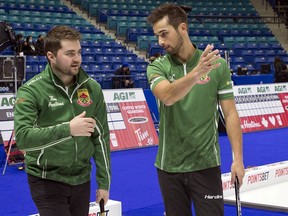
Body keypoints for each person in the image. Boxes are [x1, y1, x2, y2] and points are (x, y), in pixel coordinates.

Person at [146, 3, 245, 216]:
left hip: (206, 164)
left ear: (182, 28)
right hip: (169, 167)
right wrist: (197, 73)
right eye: (157, 36)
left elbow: (230, 114)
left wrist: (238, 159)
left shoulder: (217, 66)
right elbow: (167, 96)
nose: (160, 42)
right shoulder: (157, 67)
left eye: (164, 34)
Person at [14, 25, 111, 216]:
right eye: (69, 53)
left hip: (82, 179)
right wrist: (68, 129)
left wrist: (104, 183)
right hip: (46, 179)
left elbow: (101, 138)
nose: (77, 59)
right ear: (51, 56)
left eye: (79, 52)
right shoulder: (31, 91)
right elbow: (23, 138)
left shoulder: (93, 88)